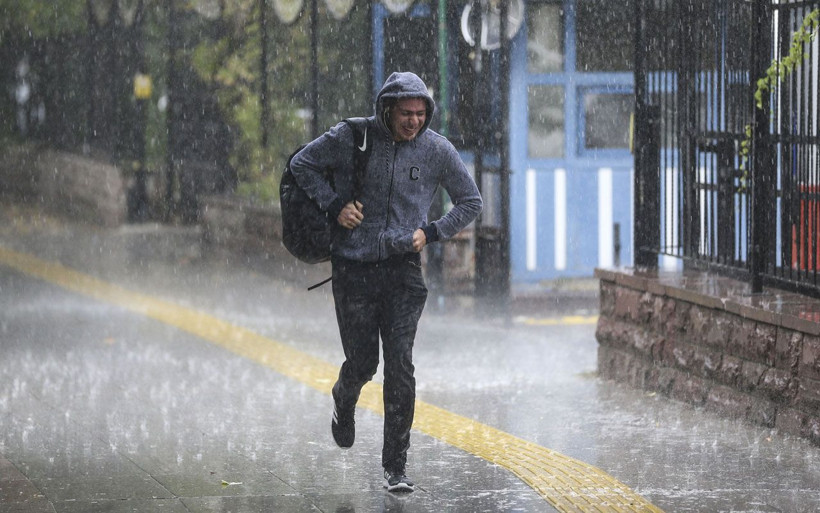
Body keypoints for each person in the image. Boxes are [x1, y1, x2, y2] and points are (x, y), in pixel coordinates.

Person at [289, 71, 482, 492]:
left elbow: (471, 201)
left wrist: (430, 232)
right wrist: (336, 205)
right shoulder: (353, 137)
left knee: (400, 367)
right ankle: (345, 395)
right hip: (353, 268)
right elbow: (301, 164)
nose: (413, 120)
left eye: (420, 113)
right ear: (388, 108)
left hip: (403, 271)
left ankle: (396, 466)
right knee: (364, 363)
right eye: (405, 112)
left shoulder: (436, 150)